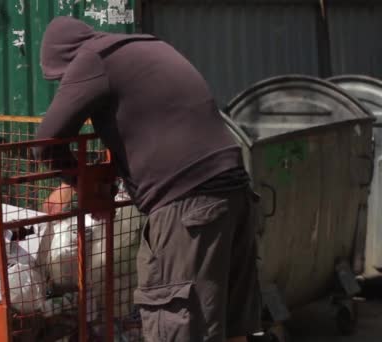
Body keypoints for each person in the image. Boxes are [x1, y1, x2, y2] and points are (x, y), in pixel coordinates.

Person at [33, 17, 261, 342]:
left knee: (178, 326)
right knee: (231, 325)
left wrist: (76, 181)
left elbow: (46, 142)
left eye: (61, 78)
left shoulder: (92, 59)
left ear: (68, 59)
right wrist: (104, 179)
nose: (65, 84)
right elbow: (150, 129)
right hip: (235, 193)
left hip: (188, 207)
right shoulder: (146, 46)